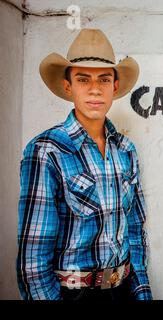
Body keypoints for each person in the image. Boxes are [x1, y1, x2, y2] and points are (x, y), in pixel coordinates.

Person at [17, 29, 152, 300]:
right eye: (83, 79)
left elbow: (135, 232)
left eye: (104, 79)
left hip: (122, 289)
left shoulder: (126, 150)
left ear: (115, 87)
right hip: (73, 293)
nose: (94, 89)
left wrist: (142, 292)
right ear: (68, 87)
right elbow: (33, 260)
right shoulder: (47, 151)